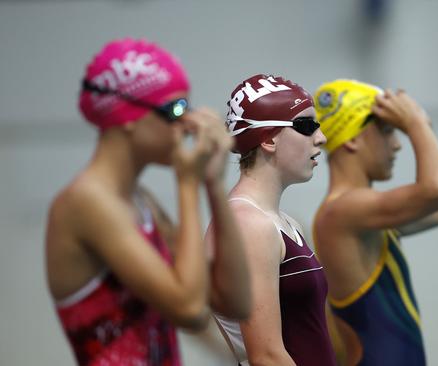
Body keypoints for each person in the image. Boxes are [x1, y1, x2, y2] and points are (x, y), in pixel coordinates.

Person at [45, 38, 250, 365]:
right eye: (175, 109)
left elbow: (236, 301)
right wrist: (187, 184)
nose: (186, 125)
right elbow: (192, 310)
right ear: (127, 116)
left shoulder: (142, 204)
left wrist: (213, 184)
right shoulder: (86, 203)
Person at [312, 79, 438, 366]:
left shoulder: (365, 215)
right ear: (352, 138)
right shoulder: (341, 211)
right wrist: (416, 124)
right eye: (388, 130)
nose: (397, 144)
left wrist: (421, 125)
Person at [211, 74, 336, 366]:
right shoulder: (247, 224)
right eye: (306, 126)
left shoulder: (283, 223)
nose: (321, 137)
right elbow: (267, 357)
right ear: (268, 139)